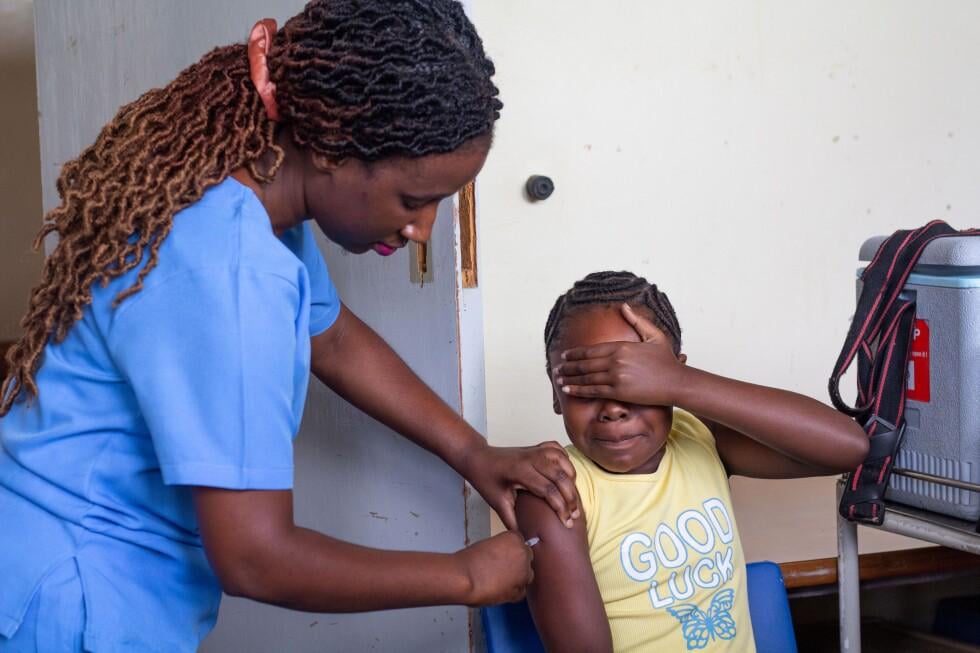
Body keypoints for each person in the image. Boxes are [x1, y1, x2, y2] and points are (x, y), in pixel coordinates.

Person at [0, 2, 581, 651]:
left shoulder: (239, 193)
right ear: (331, 144)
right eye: (413, 200)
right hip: (67, 601)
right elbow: (255, 557)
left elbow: (330, 336)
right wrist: (466, 574)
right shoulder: (233, 271)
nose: (422, 228)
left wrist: (475, 453)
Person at [516, 271, 868, 653]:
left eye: (635, 386)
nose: (613, 409)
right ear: (555, 392)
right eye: (586, 389)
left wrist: (680, 382)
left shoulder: (698, 436)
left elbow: (847, 446)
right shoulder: (555, 489)